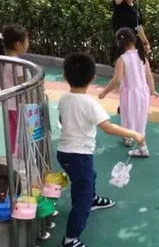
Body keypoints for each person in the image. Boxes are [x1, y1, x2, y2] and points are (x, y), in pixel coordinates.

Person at [58, 52, 145, 247]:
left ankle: (92, 199)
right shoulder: (90, 103)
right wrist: (134, 134)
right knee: (82, 196)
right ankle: (71, 239)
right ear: (93, 78)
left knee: (89, 177)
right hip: (79, 155)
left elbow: (62, 121)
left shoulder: (64, 99)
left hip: (64, 153)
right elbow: (108, 127)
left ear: (65, 77)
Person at [99, 27, 157, 154]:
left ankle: (132, 140)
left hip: (130, 94)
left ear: (119, 43)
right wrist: (152, 89)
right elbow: (149, 75)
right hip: (143, 93)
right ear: (133, 40)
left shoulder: (122, 59)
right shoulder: (142, 57)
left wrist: (104, 92)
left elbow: (117, 80)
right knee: (140, 118)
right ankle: (138, 141)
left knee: (128, 116)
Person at [0, 24, 29, 159]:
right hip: (18, 105)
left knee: (13, 132)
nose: (29, 43)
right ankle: (19, 158)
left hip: (10, 105)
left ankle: (15, 156)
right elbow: (24, 85)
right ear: (18, 44)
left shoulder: (5, 60)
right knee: (19, 132)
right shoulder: (17, 64)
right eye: (27, 40)